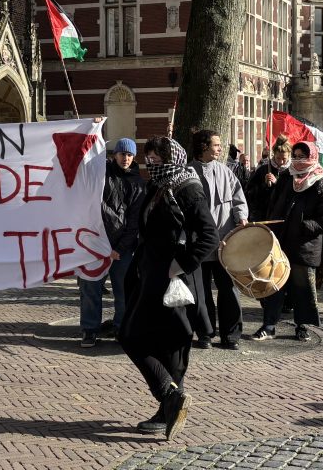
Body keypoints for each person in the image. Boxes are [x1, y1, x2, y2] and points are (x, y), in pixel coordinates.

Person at [119, 136, 219, 440]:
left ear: (172, 160)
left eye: (156, 160)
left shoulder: (187, 188)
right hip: (151, 276)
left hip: (176, 282)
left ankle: (169, 405)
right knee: (131, 335)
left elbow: (209, 236)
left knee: (170, 343)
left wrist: (182, 264)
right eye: (148, 159)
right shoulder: (158, 185)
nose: (151, 165)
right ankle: (170, 400)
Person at [251, 141, 323, 342]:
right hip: (281, 242)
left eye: (302, 157)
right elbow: (273, 204)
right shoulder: (287, 178)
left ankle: (302, 326)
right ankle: (269, 325)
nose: (297, 160)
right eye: (295, 156)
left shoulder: (320, 183)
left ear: (311, 157)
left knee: (302, 289)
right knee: (275, 285)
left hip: (304, 246)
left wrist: (303, 226)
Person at [79, 138, 146, 348]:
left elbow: (134, 222)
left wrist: (120, 248)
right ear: (114, 155)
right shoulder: (101, 173)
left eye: (129, 155)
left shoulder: (138, 183)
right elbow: (85, 162)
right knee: (90, 288)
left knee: (123, 292)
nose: (125, 158)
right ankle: (89, 330)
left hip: (121, 249)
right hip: (95, 244)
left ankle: (121, 328)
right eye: (122, 154)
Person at [187, 130, 249, 350]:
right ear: (203, 147)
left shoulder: (225, 171)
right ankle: (205, 333)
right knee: (201, 291)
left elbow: (238, 198)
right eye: (216, 145)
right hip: (200, 244)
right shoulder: (188, 173)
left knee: (229, 289)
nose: (220, 148)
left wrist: (241, 217)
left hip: (225, 242)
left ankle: (231, 335)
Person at [246, 135, 291, 221]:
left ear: (289, 156)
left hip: (283, 217)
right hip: (263, 216)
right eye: (278, 158)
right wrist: (264, 185)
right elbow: (249, 193)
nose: (281, 162)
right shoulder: (263, 169)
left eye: (284, 159)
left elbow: (290, 195)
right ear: (274, 154)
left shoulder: (292, 172)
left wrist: (277, 183)